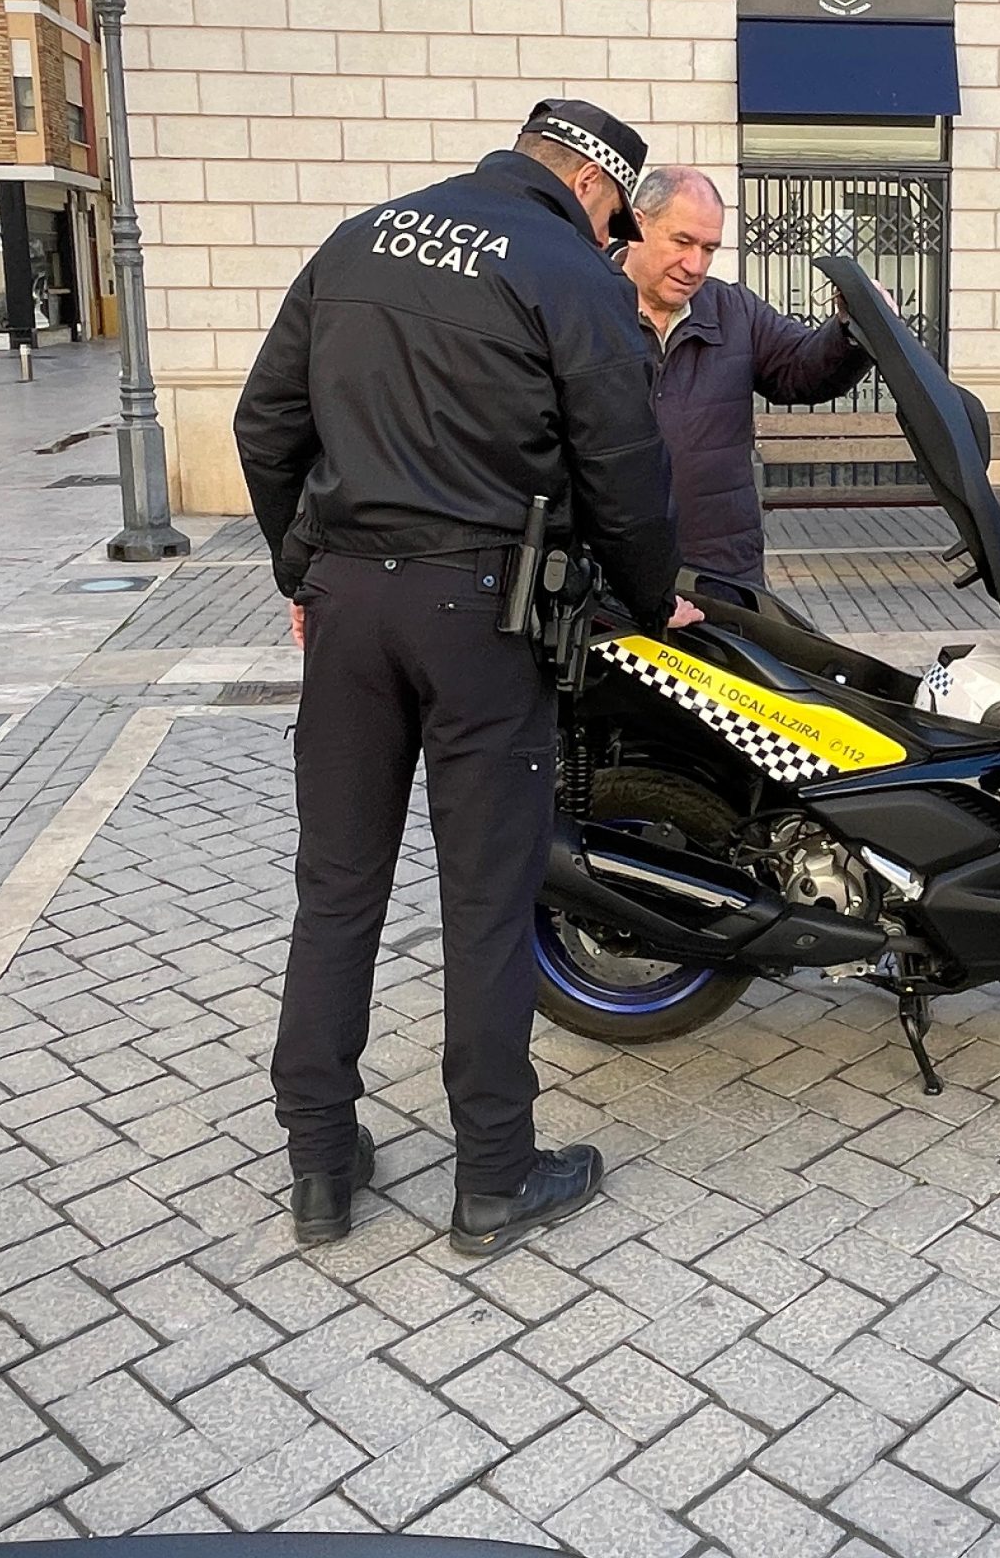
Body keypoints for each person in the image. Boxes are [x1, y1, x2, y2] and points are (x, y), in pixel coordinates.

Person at [234, 98, 701, 1254]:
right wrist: (652, 600)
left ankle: (319, 1167)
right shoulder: (572, 274)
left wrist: (307, 571)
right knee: (487, 900)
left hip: (350, 608)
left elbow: (265, 424)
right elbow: (623, 468)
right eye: (617, 220)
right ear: (592, 186)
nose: (612, 239)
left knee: (336, 890)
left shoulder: (359, 238)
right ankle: (493, 1176)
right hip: (482, 615)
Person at [617, 166, 871, 587]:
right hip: (614, 579)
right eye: (682, 242)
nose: (695, 265)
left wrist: (850, 328)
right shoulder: (584, 308)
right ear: (637, 226)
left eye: (709, 248)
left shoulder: (734, 311)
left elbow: (802, 368)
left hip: (721, 574)